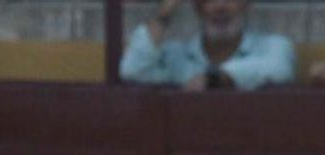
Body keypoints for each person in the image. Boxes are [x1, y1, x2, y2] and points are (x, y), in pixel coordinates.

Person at [120, 0, 293, 91]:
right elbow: (132, 71)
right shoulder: (177, 56)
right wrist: (165, 13)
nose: (220, 6)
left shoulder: (273, 46)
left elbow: (280, 68)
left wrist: (213, 80)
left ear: (246, 3)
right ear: (197, 7)